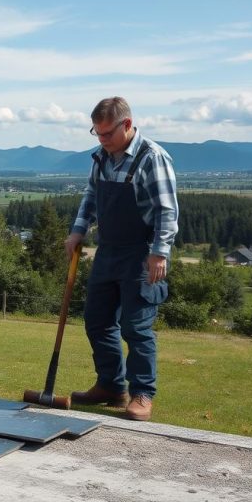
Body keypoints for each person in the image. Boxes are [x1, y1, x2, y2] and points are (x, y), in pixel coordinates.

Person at [65, 97, 178, 421]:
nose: (101, 140)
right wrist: (77, 232)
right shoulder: (101, 157)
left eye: (107, 134)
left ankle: (142, 394)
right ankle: (111, 386)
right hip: (108, 250)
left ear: (127, 125)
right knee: (97, 320)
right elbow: (91, 197)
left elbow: (167, 210)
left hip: (141, 252)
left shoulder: (152, 157)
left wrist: (159, 253)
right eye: (97, 134)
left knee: (136, 326)